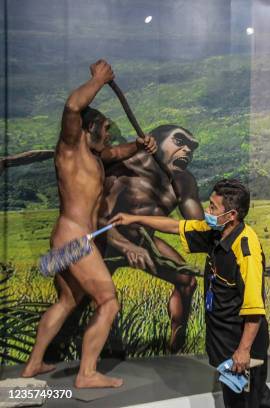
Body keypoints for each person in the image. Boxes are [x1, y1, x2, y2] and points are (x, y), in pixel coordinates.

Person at [21, 60, 157, 388]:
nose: (108, 135)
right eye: (105, 129)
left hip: (72, 239)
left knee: (68, 300)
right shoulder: (69, 149)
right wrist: (97, 80)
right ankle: (87, 374)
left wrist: (140, 146)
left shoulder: (93, 157)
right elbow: (72, 106)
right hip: (73, 238)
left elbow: (115, 153)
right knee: (108, 301)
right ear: (87, 128)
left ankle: (33, 365)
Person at [110, 179, 270, 408]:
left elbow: (255, 308)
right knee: (243, 399)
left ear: (232, 215)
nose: (207, 211)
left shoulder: (246, 251)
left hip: (241, 345)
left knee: (249, 402)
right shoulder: (216, 230)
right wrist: (134, 219)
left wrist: (243, 350)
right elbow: (175, 226)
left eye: (213, 208)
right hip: (224, 340)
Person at [98, 124, 201, 352]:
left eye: (191, 147)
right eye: (180, 141)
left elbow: (198, 228)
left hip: (145, 240)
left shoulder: (184, 182)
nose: (187, 150)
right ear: (154, 141)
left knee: (187, 280)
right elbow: (99, 219)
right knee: (91, 298)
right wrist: (126, 247)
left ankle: (175, 347)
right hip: (106, 241)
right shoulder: (124, 170)